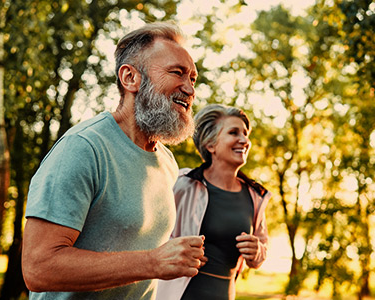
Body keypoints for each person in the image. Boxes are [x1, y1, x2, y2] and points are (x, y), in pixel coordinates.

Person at [21, 22, 206, 300]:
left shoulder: (166, 163)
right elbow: (38, 268)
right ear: (130, 78)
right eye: (177, 73)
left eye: (192, 78)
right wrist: (153, 262)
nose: (190, 89)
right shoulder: (83, 148)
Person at [155, 104, 272, 300]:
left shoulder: (255, 195)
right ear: (210, 145)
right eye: (234, 133)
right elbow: (153, 234)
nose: (244, 140)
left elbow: (261, 249)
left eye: (245, 133)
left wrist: (257, 251)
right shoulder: (183, 184)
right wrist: (177, 251)